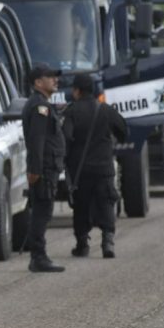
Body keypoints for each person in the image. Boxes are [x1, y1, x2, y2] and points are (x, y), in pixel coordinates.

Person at [63, 73, 129, 258]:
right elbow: (124, 131)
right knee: (107, 202)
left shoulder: (71, 111)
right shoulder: (105, 110)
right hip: (104, 168)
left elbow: (65, 138)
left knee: (81, 206)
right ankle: (108, 242)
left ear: (77, 91)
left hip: (80, 170)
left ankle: (82, 244)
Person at [20, 63, 67, 272]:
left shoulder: (43, 104)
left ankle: (38, 256)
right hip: (44, 169)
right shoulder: (40, 107)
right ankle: (38, 257)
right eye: (50, 77)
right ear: (38, 82)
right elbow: (37, 140)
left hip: (48, 167)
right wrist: (35, 170)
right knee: (42, 212)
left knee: (42, 211)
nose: (55, 80)